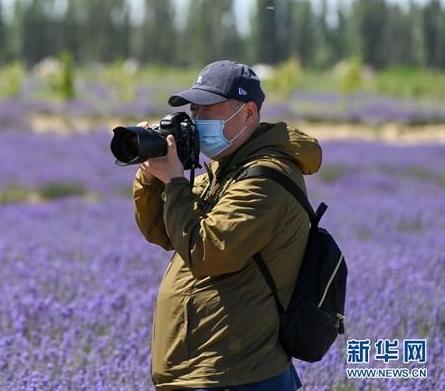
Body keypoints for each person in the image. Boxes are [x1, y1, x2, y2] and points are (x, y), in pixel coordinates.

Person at [133, 60, 322, 390]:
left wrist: (176, 182)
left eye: (208, 110)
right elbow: (163, 232)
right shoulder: (224, 172)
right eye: (194, 111)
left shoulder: (264, 180)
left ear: (248, 113)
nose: (197, 121)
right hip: (208, 373)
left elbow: (207, 251)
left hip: (239, 375)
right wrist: (151, 179)